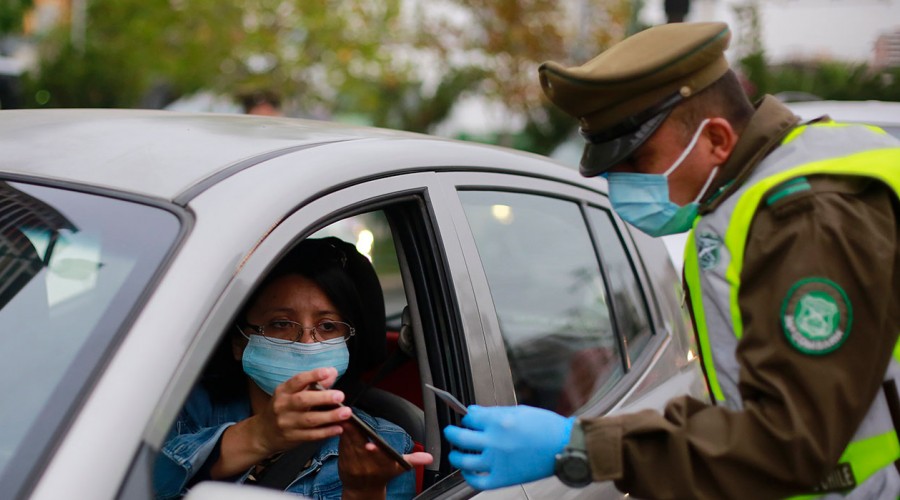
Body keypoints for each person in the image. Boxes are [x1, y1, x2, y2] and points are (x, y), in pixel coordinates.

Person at [443, 21, 900, 499]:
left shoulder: (807, 218)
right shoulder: (743, 201)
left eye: (637, 162)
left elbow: (788, 438)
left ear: (717, 140)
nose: (619, 187)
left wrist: (579, 446)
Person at [154, 237, 432, 499]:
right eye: (281, 324)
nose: (306, 343)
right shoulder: (183, 412)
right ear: (240, 342)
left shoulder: (383, 447)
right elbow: (128, 483)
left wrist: (363, 493)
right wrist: (260, 435)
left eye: (327, 326)